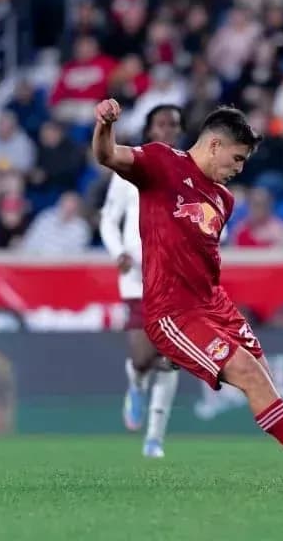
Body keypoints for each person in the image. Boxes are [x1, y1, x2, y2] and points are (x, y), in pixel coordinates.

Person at [92, 101, 283, 487]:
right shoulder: (161, 162)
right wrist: (105, 125)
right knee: (248, 373)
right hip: (174, 312)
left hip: (214, 303)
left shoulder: (224, 200)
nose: (240, 169)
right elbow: (107, 155)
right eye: (237, 159)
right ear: (215, 145)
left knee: (265, 379)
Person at [98, 104, 184, 458]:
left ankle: (154, 438)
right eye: (162, 124)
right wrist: (117, 251)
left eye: (174, 125)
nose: (168, 130)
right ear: (150, 129)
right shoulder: (129, 166)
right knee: (143, 356)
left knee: (171, 356)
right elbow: (108, 218)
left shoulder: (189, 169)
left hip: (174, 276)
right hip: (136, 275)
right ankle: (135, 381)